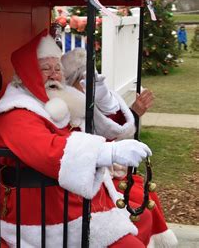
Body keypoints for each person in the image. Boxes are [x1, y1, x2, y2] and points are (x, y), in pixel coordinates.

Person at [0, 32, 153, 247]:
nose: (54, 75)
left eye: (57, 68)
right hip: (46, 216)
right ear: (27, 74)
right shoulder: (16, 114)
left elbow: (100, 128)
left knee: (145, 218)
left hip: (73, 200)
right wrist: (108, 152)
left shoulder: (59, 99)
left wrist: (106, 102)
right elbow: (49, 151)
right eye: (45, 68)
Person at [61, 48, 178, 247]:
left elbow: (110, 129)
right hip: (93, 181)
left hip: (107, 172)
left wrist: (132, 114)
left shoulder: (90, 103)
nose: (87, 85)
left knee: (144, 191)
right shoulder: (69, 109)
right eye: (82, 80)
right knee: (140, 203)